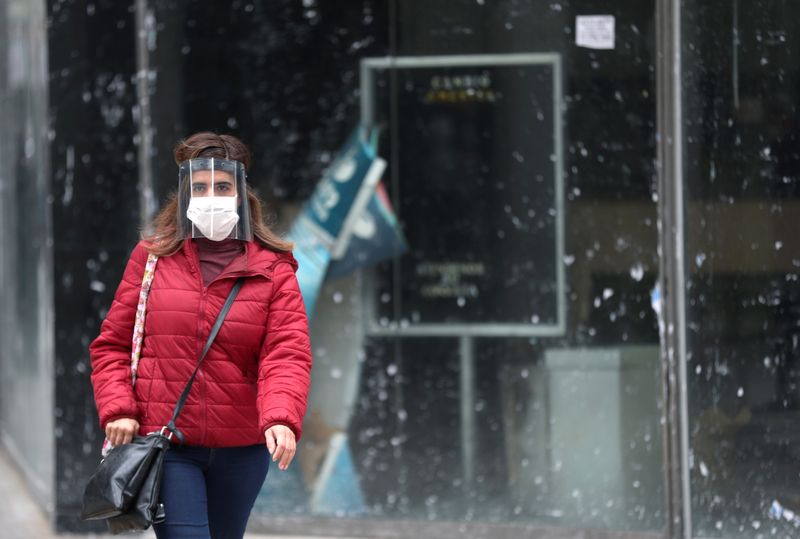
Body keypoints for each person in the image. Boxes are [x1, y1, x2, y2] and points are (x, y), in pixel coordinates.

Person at [89, 132, 312, 538]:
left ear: (242, 194)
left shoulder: (273, 267)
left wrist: (280, 416)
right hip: (168, 444)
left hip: (242, 449)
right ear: (185, 194)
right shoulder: (152, 258)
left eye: (223, 187)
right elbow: (113, 345)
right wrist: (119, 408)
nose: (212, 196)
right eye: (201, 187)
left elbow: (286, 353)